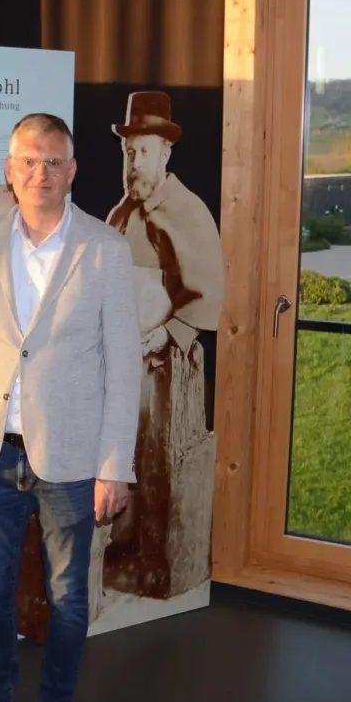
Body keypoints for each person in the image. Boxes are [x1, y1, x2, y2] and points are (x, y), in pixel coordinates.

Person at [0, 113, 140, 702]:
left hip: (73, 459)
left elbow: (124, 365)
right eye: (29, 160)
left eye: (53, 161)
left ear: (72, 171)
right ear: (10, 170)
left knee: (68, 598)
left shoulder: (105, 250)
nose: (40, 173)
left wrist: (116, 465)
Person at [102, 90, 224, 603]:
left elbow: (207, 291)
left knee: (157, 459)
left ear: (165, 153)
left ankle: (156, 562)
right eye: (128, 152)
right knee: (121, 453)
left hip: (164, 365)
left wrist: (166, 335)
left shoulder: (187, 210)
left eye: (144, 152)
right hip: (121, 360)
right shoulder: (120, 213)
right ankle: (122, 551)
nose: (134, 162)